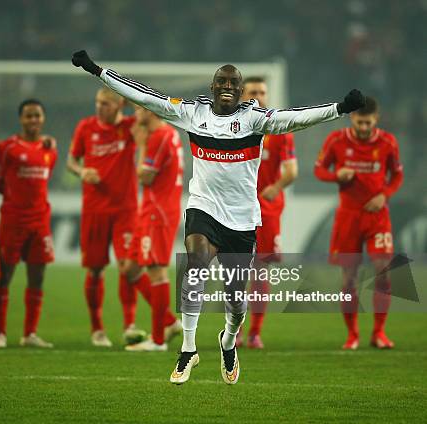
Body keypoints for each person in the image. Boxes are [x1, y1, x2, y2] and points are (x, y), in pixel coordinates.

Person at [71, 49, 365, 384]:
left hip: (241, 220)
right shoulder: (192, 114)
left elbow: (297, 117)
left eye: (233, 82)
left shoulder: (255, 120)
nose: (227, 85)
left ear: (240, 92)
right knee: (195, 264)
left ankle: (228, 340)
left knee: (236, 301)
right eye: (221, 81)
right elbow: (142, 94)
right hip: (203, 208)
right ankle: (188, 350)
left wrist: (339, 108)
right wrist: (97, 71)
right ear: (212, 87)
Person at [314, 96, 402, 350]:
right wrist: (336, 175)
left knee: (383, 270)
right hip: (348, 216)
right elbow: (319, 170)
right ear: (352, 118)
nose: (364, 127)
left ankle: (379, 333)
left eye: (368, 123)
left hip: (377, 217)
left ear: (376, 119)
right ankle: (352, 335)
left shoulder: (387, 142)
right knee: (348, 278)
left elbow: (397, 175)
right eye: (359, 122)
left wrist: (384, 194)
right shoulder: (336, 141)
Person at [67, 87, 146, 347]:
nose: (100, 108)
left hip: (125, 209)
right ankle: (97, 329)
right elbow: (71, 160)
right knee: (96, 269)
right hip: (94, 209)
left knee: (127, 266)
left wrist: (127, 98)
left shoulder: (130, 127)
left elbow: (145, 110)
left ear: (119, 105)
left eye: (106, 104)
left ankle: (129, 325)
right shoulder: (86, 127)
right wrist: (81, 172)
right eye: (98, 102)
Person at [0, 99, 57, 349]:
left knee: (37, 276)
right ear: (21, 119)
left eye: (37, 116)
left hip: (40, 221)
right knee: (4, 275)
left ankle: (29, 333)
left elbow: (44, 178)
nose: (33, 120)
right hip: (13, 220)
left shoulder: (50, 148)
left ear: (43, 119)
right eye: (28, 116)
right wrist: (13, 198)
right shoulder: (8, 148)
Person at [238, 76, 298, 349]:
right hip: (235, 208)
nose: (259, 96)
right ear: (242, 95)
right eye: (253, 92)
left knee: (260, 270)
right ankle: (235, 331)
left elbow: (292, 170)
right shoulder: (234, 128)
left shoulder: (278, 130)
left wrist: (277, 186)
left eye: (262, 92)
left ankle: (254, 333)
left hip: (266, 210)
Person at [123, 104, 183, 352]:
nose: (135, 115)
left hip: (158, 212)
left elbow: (145, 176)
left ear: (149, 111)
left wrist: (140, 145)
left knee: (156, 271)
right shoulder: (169, 133)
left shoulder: (158, 137)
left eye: (138, 110)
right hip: (151, 208)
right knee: (130, 268)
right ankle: (169, 322)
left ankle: (158, 340)